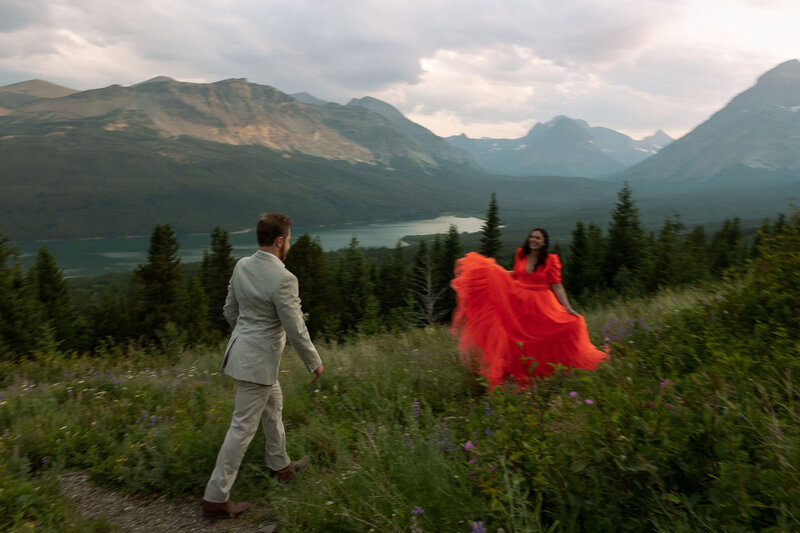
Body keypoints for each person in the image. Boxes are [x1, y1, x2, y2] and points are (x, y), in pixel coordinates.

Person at [202, 213, 324, 520]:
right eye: (289, 240)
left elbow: (230, 309)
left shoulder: (242, 266)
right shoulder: (284, 279)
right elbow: (295, 327)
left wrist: (245, 336)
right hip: (258, 363)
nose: (290, 245)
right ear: (280, 240)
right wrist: (314, 362)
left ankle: (280, 465)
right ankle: (216, 497)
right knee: (242, 428)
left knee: (274, 408)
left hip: (246, 355)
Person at [451, 228, 605, 390]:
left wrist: (567, 307)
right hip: (519, 300)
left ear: (544, 241)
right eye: (532, 236)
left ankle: (547, 370)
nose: (533, 240)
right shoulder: (522, 255)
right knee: (514, 335)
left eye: (538, 238)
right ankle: (517, 371)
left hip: (542, 303)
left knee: (558, 329)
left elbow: (557, 286)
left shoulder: (551, 261)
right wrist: (495, 273)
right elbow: (517, 274)